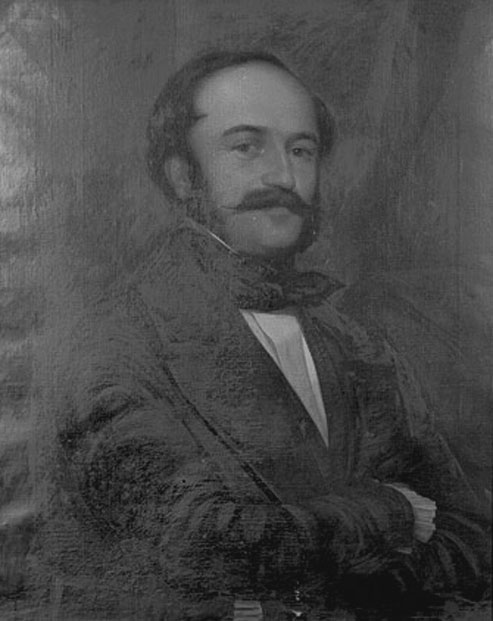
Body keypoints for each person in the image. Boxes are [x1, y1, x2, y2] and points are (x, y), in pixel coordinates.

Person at [37, 50, 490, 620]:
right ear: (182, 175)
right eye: (247, 147)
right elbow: (201, 545)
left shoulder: (354, 341)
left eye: (301, 150)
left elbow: (471, 535)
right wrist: (389, 513)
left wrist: (353, 595)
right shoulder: (118, 343)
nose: (283, 177)